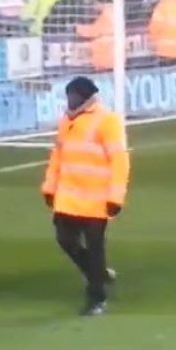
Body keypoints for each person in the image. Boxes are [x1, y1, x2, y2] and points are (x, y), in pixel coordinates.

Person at [41, 77, 130, 315]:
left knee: (95, 247)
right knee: (65, 240)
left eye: (75, 97)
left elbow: (119, 161)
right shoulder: (66, 122)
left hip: (95, 201)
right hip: (67, 198)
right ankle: (97, 274)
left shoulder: (106, 121)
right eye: (69, 96)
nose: (71, 101)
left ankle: (97, 297)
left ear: (87, 97)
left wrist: (116, 196)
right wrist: (50, 188)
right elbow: (57, 157)